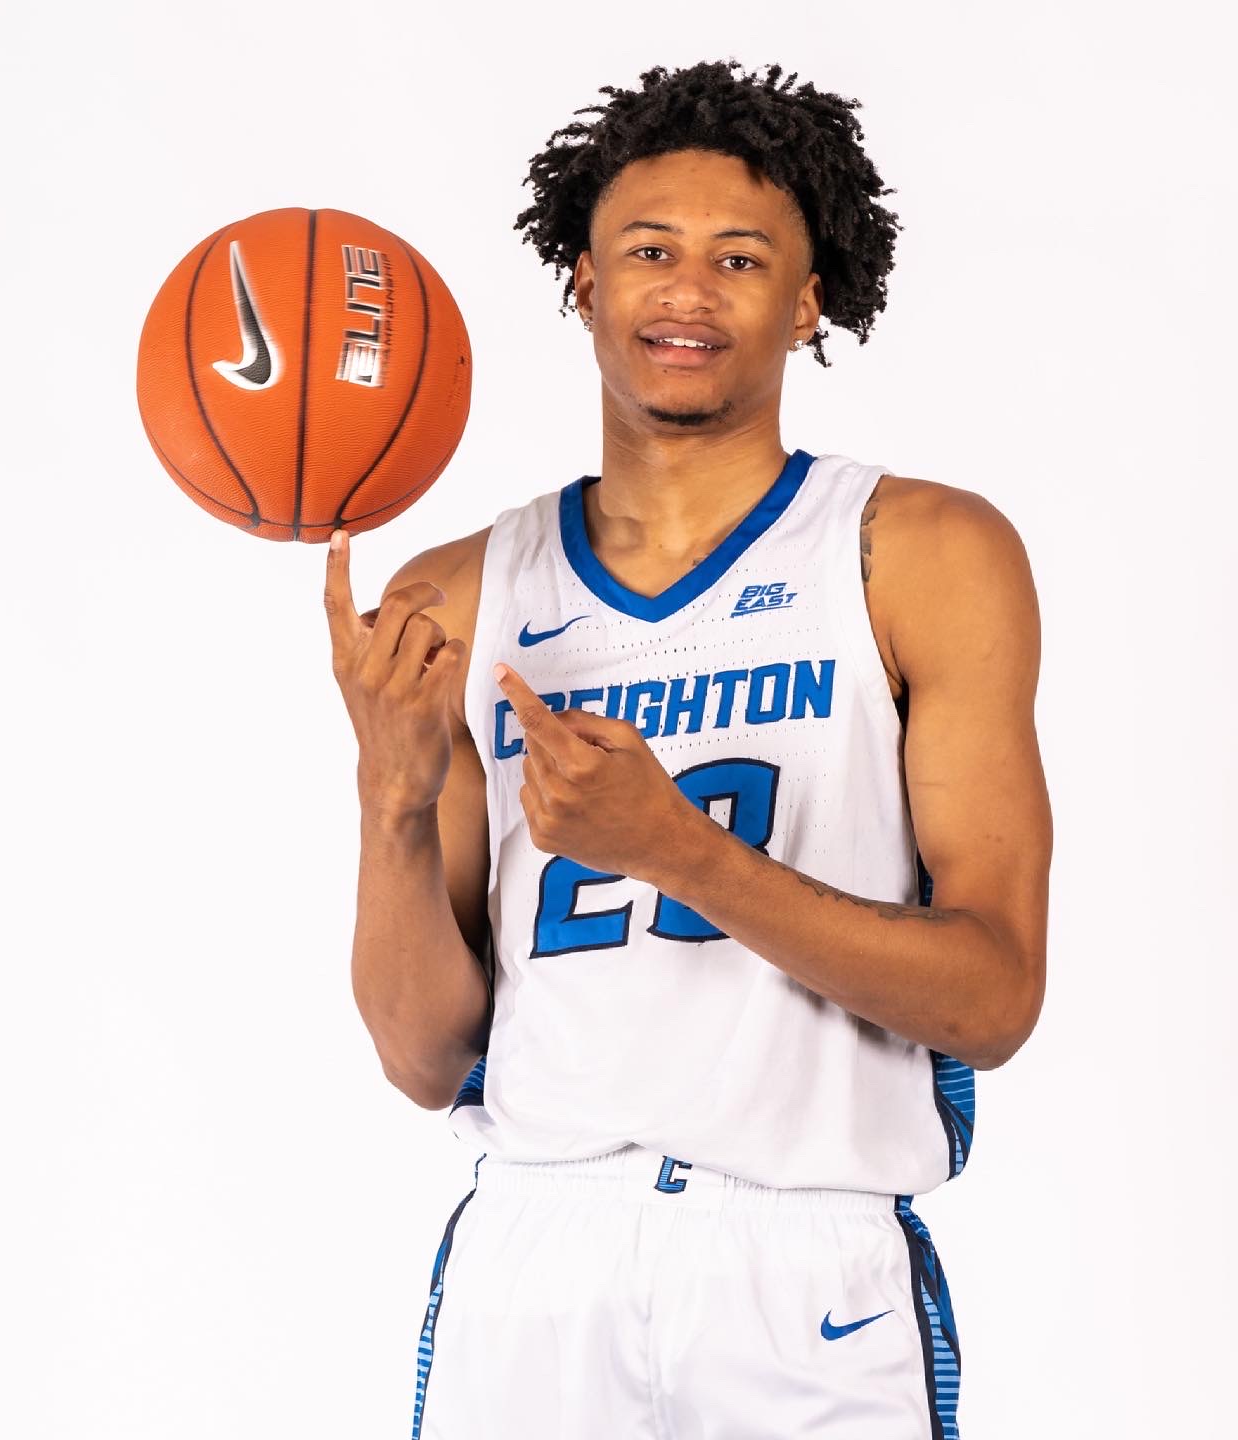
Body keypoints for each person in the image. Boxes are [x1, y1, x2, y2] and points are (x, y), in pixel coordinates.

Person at [324, 59, 1051, 1440]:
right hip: (538, 1258)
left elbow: (994, 998)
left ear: (808, 298)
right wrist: (393, 807)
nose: (687, 291)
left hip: (803, 1264)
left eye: (740, 257)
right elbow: (426, 1059)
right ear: (584, 283)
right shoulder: (458, 593)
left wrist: (680, 855)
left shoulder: (923, 556)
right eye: (648, 251)